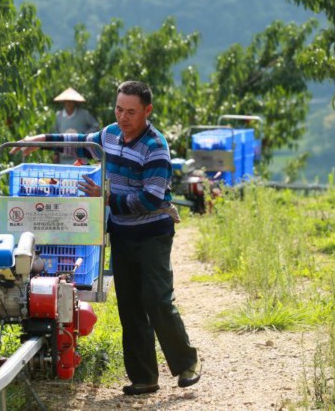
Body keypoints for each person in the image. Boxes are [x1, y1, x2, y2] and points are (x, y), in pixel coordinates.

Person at [13, 80, 201, 395]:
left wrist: (107, 198)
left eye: (131, 112)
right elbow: (80, 143)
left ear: (147, 111)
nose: (123, 117)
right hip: (123, 233)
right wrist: (43, 140)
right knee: (130, 304)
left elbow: (152, 198)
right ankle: (144, 378)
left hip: (153, 233)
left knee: (156, 298)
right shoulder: (110, 135)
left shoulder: (155, 147)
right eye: (119, 109)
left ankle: (187, 363)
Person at [53, 87, 99, 164]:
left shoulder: (84, 114)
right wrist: (56, 153)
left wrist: (83, 136)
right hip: (64, 156)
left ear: (75, 102)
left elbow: (96, 126)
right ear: (64, 102)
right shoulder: (59, 116)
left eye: (71, 102)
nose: (69, 104)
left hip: (80, 155)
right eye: (67, 102)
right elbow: (56, 133)